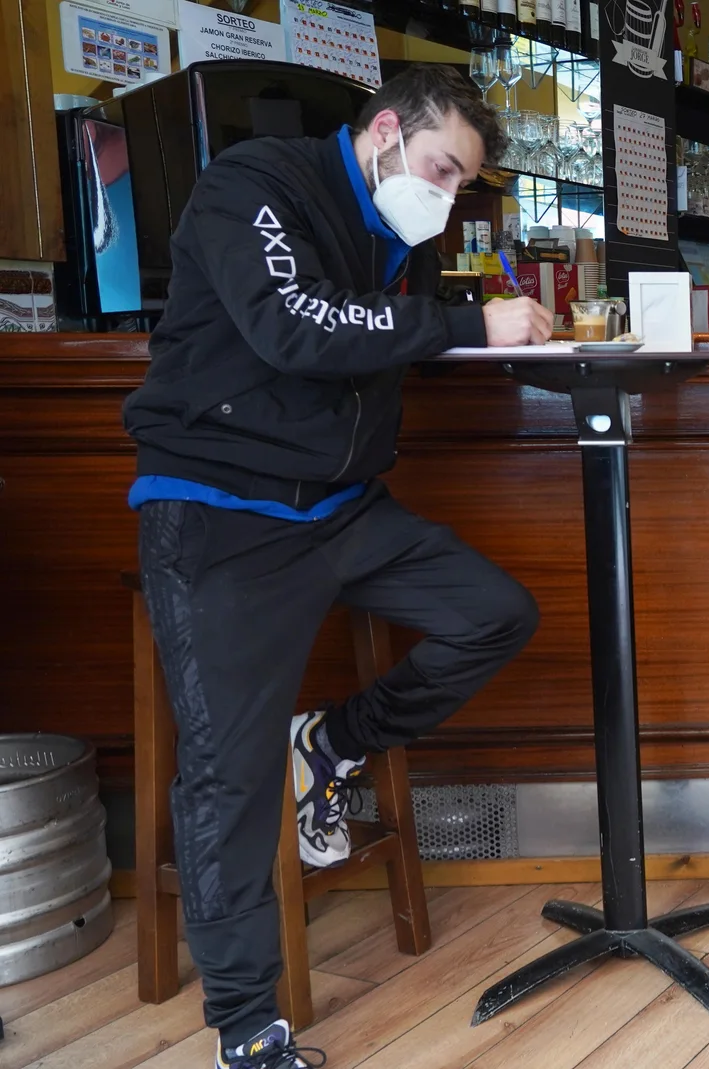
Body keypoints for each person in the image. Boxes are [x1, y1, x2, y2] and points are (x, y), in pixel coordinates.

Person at [121, 65, 550, 1069]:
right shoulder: (253, 182)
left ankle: (331, 739)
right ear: (386, 131)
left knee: (495, 613)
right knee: (229, 773)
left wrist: (492, 336)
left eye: (459, 186)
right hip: (222, 513)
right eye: (440, 169)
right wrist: (460, 326)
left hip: (345, 510)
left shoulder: (405, 236)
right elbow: (295, 322)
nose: (443, 198)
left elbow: (389, 343)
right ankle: (247, 1025)